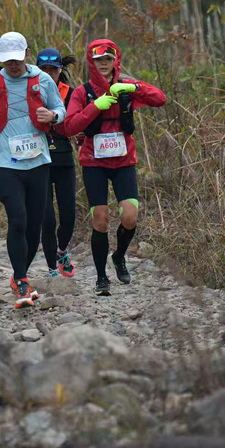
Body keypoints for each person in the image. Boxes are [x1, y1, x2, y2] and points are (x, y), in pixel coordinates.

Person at [57, 39, 166, 296]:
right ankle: (101, 278)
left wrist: (134, 85)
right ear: (91, 63)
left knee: (130, 215)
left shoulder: (126, 88)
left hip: (124, 160)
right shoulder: (83, 93)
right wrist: (96, 106)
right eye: (98, 60)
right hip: (94, 161)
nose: (103, 64)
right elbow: (69, 127)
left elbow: (160, 99)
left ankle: (118, 256)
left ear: (115, 60)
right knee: (101, 219)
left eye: (108, 59)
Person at [0, 32, 67, 307]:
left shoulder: (43, 80)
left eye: (17, 59)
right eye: (7, 61)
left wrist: (52, 116)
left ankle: (18, 275)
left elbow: (61, 109)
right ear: (1, 59)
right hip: (7, 164)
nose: (13, 65)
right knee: (18, 220)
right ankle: (23, 281)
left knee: (35, 227)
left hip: (38, 162)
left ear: (27, 54)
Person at [35, 48, 79, 279]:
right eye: (44, 70)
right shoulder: (30, 93)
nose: (49, 74)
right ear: (36, 70)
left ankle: (63, 251)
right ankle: (52, 267)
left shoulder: (71, 94)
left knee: (68, 214)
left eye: (53, 70)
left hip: (63, 159)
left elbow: (76, 122)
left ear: (60, 70)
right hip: (38, 161)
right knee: (47, 217)